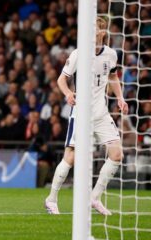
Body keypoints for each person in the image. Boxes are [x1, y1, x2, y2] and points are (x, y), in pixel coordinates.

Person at [44, 17, 129, 215]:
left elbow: (113, 76)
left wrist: (120, 98)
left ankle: (94, 198)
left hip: (101, 113)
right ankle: (51, 199)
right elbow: (61, 79)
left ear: (102, 32)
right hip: (81, 113)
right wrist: (67, 93)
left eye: (95, 30)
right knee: (71, 157)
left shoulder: (111, 54)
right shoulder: (78, 54)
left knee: (117, 154)